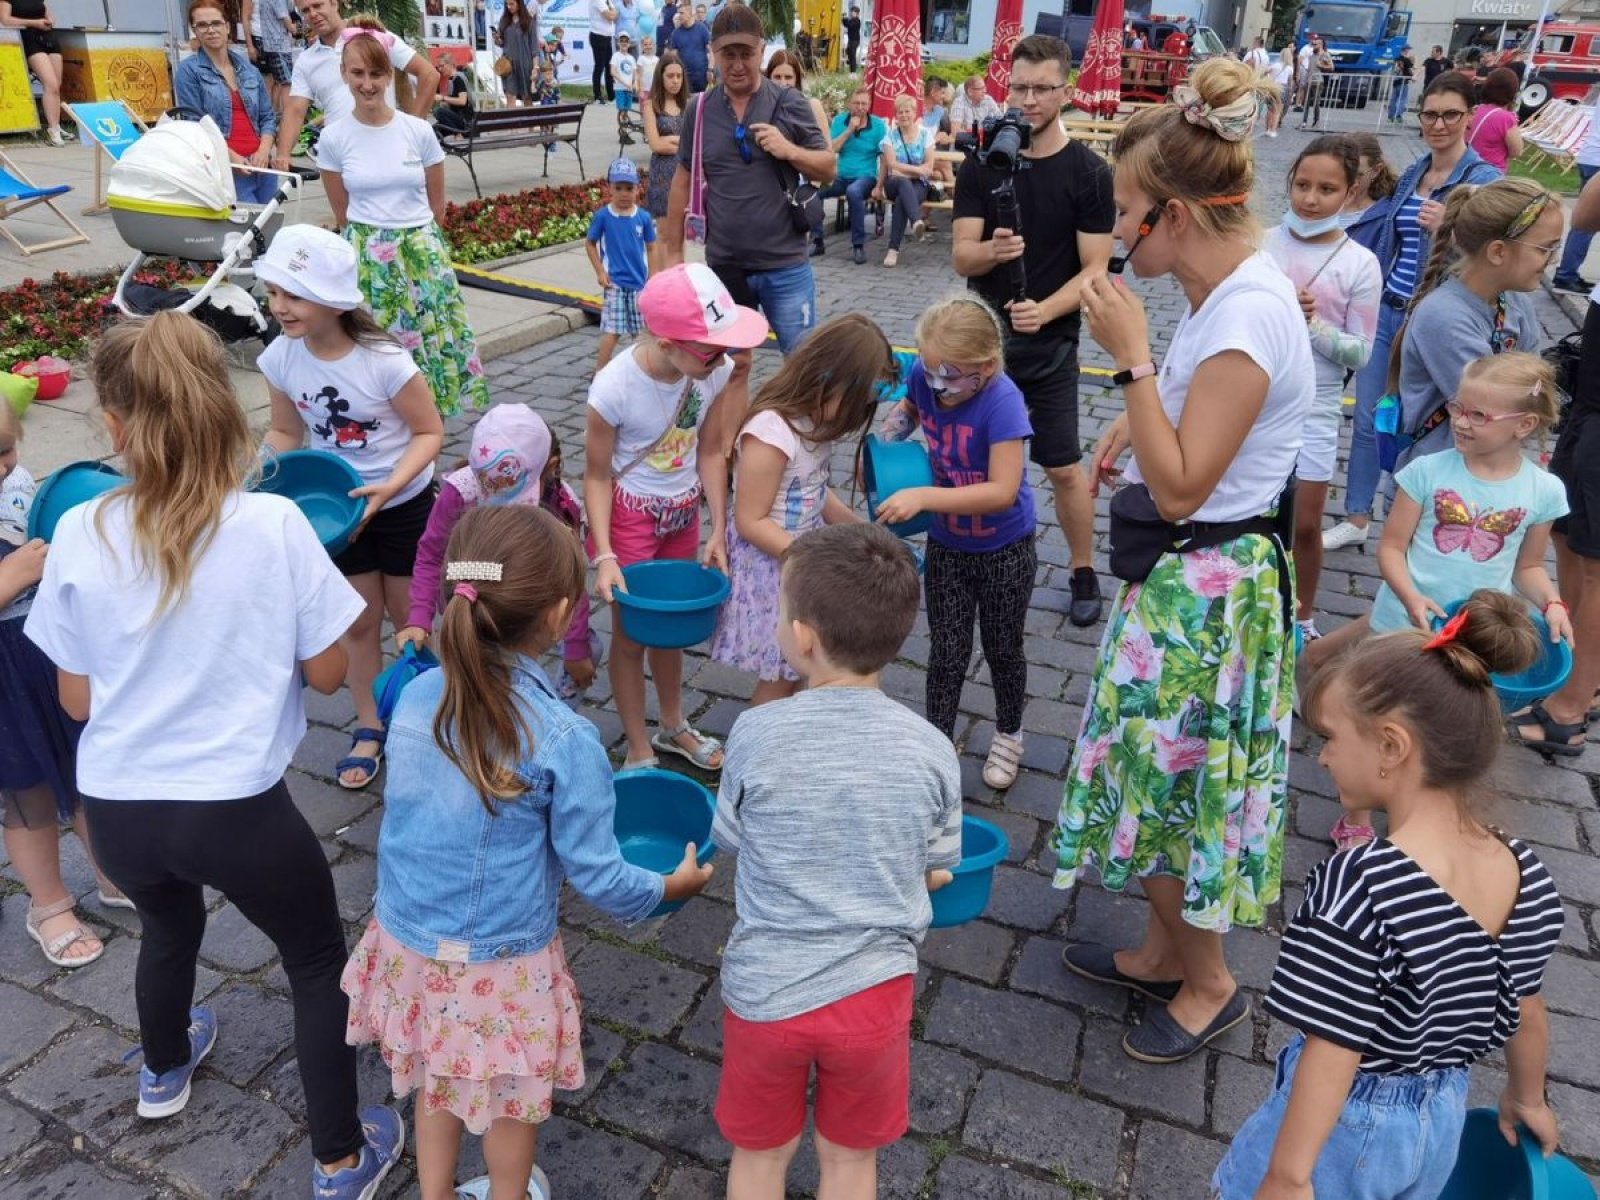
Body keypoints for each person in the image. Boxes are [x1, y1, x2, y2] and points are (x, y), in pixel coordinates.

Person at [24, 312, 403, 1197]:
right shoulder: (273, 524)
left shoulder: (80, 531)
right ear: (221, 409)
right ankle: (341, 1158)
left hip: (116, 809)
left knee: (167, 925)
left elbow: (75, 698)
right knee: (314, 963)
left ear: (112, 427)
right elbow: (321, 673)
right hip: (237, 810)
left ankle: (161, 1070)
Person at [1056, 59, 1312, 1063]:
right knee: (1154, 768)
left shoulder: (1246, 311)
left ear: (1172, 213)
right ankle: (1166, 947)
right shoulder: (1229, 294)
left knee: (1167, 779)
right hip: (1191, 580)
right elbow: (1199, 442)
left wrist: (1129, 362)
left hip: (1209, 586)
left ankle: (1210, 981)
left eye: (1124, 210)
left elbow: (1180, 489)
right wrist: (1147, 403)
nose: (1116, 231)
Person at [346, 504, 710, 1200]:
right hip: (499, 962)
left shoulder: (417, 694)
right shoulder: (564, 738)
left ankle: (437, 1194)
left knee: (438, 1077)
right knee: (510, 1097)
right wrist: (670, 888)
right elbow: (600, 873)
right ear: (559, 616)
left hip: (409, 941)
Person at [1213, 589, 1565, 1199]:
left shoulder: (1360, 887)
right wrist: (1524, 1097)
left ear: (1391, 746)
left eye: (1329, 738)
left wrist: (1288, 1176)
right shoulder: (1524, 870)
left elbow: (1334, 1049)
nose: (1321, 758)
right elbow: (1527, 1008)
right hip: (1440, 1121)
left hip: (1347, 1134)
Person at [711, 521, 962, 1200]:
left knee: (760, 1158)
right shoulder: (933, 748)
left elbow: (730, 839)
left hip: (766, 996)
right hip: (873, 996)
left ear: (803, 639)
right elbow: (939, 864)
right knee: (850, 1162)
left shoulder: (755, 732)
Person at [1304, 352, 1567, 851]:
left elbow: (1529, 567)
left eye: (1479, 415)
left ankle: (1420, 811)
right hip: (1403, 623)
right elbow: (1391, 548)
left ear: (1525, 424)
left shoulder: (1543, 490)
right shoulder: (1426, 472)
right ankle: (1356, 817)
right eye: (1458, 408)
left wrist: (1553, 603)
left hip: (1470, 635)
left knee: (1440, 721)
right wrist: (1411, 596)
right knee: (1372, 714)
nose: (1461, 423)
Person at [258, 224, 445, 789]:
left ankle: (430, 721)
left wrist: (390, 487)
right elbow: (286, 431)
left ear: (332, 300)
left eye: (293, 294)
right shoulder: (279, 359)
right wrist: (253, 475)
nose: (279, 307)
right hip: (338, 516)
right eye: (273, 293)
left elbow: (429, 432)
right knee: (357, 626)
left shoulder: (385, 361)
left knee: (411, 623)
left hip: (403, 505)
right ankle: (369, 726)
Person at [953, 33, 1115, 629]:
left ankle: (1081, 568)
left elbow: (1096, 269)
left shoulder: (1091, 173)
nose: (1027, 99)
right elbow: (962, 259)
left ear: (1065, 91)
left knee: (1063, 464)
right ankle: (966, 551)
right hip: (981, 344)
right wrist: (992, 252)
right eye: (1018, 86)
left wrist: (1043, 310)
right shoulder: (982, 160)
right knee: (972, 460)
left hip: (1050, 342)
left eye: (1041, 88)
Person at [586, 263, 768, 771]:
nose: (724, 357)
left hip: (682, 512)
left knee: (668, 627)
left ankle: (672, 725)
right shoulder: (613, 387)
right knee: (631, 635)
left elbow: (712, 450)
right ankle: (638, 745)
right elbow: (596, 476)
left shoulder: (714, 372)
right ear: (667, 344)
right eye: (712, 349)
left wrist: (717, 527)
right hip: (630, 518)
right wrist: (604, 554)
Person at [1326, 70, 1501, 553]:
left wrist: (1455, 226)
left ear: (1470, 117)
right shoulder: (1413, 171)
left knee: (1428, 425)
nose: (1439, 124)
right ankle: (1358, 516)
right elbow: (1388, 240)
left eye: (1450, 115)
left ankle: (1413, 522)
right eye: (1430, 114)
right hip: (1386, 312)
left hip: (1437, 321)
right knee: (1369, 418)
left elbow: (1495, 252)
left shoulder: (1486, 180)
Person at [875, 296, 1037, 788]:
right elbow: (908, 410)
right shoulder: (926, 380)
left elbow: (1002, 490)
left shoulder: (1002, 401)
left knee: (1003, 645)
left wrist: (924, 494)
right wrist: (888, 439)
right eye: (930, 370)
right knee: (946, 649)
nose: (939, 385)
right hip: (948, 545)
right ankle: (937, 744)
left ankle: (1009, 731)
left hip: (1005, 548)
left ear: (985, 368)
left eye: (952, 374)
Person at [0, 404, 127, 971]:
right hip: (5, 683)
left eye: (5, 450)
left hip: (54, 656)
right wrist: (12, 578)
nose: (2, 468)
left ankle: (110, 870)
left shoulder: (25, 489)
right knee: (26, 796)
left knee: (88, 769)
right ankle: (48, 904)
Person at [710, 315, 889, 705]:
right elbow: (750, 520)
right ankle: (756, 751)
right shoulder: (771, 432)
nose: (853, 419)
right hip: (772, 571)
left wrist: (864, 531)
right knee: (781, 677)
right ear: (824, 381)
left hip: (798, 563)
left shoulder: (813, 424)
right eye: (853, 406)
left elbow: (816, 494)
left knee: (796, 672)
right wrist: (808, 558)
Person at [316, 29, 490, 419]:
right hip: (370, 261)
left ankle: (428, 434)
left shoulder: (418, 131)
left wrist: (416, 241)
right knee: (379, 351)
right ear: (343, 73)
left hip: (421, 254)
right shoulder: (334, 139)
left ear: (389, 76)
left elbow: (437, 207)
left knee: (429, 347)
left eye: (376, 74)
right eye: (358, 73)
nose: (367, 84)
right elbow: (343, 214)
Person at [663, 4, 834, 366]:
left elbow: (828, 169)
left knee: (804, 367)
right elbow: (682, 179)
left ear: (761, 50)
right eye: (729, 54)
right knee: (730, 369)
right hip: (725, 267)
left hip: (785, 265)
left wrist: (788, 150)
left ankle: (798, 425)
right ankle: (732, 426)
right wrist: (674, 253)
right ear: (714, 53)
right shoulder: (700, 109)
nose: (738, 64)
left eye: (746, 53)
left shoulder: (790, 102)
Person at [1263, 136, 1381, 648]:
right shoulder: (1262, 244)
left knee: (1306, 523)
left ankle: (1303, 616)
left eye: (1327, 189)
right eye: (1302, 185)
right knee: (1251, 513)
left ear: (1352, 191)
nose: (1310, 199)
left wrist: (1310, 323)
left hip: (1316, 402)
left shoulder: (1359, 263)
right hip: (1257, 397)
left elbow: (1360, 351)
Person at [399, 403, 598, 697]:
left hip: (528, 610)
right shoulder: (459, 493)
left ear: (551, 467)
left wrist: (577, 645)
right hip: (475, 609)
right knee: (483, 682)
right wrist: (419, 616)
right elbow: (431, 554)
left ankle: (550, 711)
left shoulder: (560, 504)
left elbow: (572, 579)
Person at [1386, 178, 1556, 472]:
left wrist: (1532, 394)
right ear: (1498, 252)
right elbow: (1498, 407)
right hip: (1437, 488)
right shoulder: (1444, 315)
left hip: (1487, 474)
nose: (1552, 261)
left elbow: (1538, 393)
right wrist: (1529, 393)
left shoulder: (1515, 302)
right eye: (1544, 249)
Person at [271, 0, 438, 171]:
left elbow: (429, 75)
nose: (313, 14)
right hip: (342, 158)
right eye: (305, 10)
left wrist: (414, 132)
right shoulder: (306, 61)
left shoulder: (373, 37)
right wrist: (283, 154)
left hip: (387, 148)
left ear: (334, 4)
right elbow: (295, 111)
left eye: (318, 5)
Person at [176, 2, 280, 205]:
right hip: (226, 167)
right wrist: (231, 157)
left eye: (216, 23)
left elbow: (267, 117)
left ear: (227, 26)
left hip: (263, 164)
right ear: (195, 30)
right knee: (244, 231)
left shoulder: (249, 71)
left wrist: (263, 151)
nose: (211, 30)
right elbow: (196, 125)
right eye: (202, 25)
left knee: (270, 227)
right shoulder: (189, 71)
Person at [586, 157, 658, 372]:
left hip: (638, 283)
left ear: (637, 189)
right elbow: (590, 244)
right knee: (613, 331)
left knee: (640, 331)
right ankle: (599, 372)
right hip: (615, 283)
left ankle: (641, 370)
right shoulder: (603, 216)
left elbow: (652, 247)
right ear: (610, 188)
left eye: (629, 188)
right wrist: (600, 272)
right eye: (619, 188)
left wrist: (652, 276)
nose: (624, 194)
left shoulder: (643, 218)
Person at [813, 86, 884, 263]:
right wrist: (849, 131)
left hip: (866, 177)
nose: (860, 107)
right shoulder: (839, 121)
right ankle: (817, 241)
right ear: (849, 104)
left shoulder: (878, 125)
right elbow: (831, 149)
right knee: (814, 191)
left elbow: (885, 158)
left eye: (864, 104)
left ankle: (858, 245)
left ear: (869, 105)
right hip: (841, 175)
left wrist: (879, 185)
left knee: (853, 191)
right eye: (856, 103)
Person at [876, 94, 938, 269]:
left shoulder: (926, 135)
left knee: (903, 199)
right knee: (902, 184)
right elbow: (892, 164)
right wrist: (918, 171)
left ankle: (893, 250)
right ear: (896, 115)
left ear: (914, 113)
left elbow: (930, 166)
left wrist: (907, 172)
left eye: (907, 111)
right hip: (894, 183)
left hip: (918, 184)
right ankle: (915, 220)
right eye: (900, 112)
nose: (903, 115)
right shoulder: (890, 136)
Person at [0, 0, 67, 145]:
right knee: (51, 84)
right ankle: (52, 130)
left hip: (49, 37)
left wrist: (50, 20)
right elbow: (6, 20)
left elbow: (47, 13)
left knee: (57, 85)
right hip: (30, 39)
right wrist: (34, 23)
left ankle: (56, 124)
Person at [1552, 94, 1600, 293]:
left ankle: (1567, 273)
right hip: (1597, 160)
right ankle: (1566, 274)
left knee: (1586, 223)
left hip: (1590, 156)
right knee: (1586, 224)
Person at [643, 51, 687, 218]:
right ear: (660, 77)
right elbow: (655, 145)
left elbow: (697, 141)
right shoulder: (651, 106)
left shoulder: (688, 105)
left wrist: (671, 139)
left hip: (684, 173)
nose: (675, 80)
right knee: (663, 232)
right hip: (661, 175)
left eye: (679, 76)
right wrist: (683, 143)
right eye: (670, 76)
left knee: (681, 231)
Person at [1469, 67, 1526, 171]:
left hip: (1467, 168)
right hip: (1489, 174)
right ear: (1512, 91)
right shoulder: (1506, 118)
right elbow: (1517, 151)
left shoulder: (1475, 109)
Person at [1339, 132, 1398, 228]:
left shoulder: (1385, 218)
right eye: (1339, 171)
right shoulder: (1317, 204)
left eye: (1356, 174)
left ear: (1376, 170)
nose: (1346, 179)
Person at [252, 0, 294, 112]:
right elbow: (288, 23)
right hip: (278, 44)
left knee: (278, 81)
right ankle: (288, 114)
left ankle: (274, 112)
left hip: (270, 42)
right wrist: (300, 28)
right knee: (287, 83)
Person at [494, 0, 537, 105]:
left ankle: (528, 121)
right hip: (508, 65)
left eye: (512, 4)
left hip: (525, 65)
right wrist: (497, 40)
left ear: (519, 4)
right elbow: (502, 43)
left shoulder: (529, 21)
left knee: (526, 98)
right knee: (510, 95)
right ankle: (511, 121)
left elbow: (534, 48)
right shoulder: (504, 21)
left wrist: (536, 67)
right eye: (507, 4)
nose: (509, 6)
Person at [668, 0, 710, 91]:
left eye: (682, 13)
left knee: (701, 103)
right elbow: (673, 57)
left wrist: (710, 70)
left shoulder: (702, 28)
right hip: (685, 77)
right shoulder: (675, 33)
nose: (679, 16)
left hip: (702, 76)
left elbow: (711, 50)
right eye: (679, 13)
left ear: (690, 13)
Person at [432, 54, 474, 135]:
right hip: (458, 120)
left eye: (441, 66)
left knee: (437, 111)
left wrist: (443, 98)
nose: (440, 69)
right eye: (438, 67)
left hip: (464, 121)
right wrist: (445, 104)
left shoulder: (458, 78)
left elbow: (462, 101)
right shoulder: (452, 80)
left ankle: (458, 134)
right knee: (433, 131)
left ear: (450, 64)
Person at [1298, 37, 1334, 130]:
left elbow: (1331, 67)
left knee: (1316, 102)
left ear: (1321, 45)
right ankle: (1304, 121)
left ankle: (1316, 121)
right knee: (1306, 102)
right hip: (1309, 80)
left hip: (1318, 81)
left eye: (1315, 44)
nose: (1313, 46)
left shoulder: (1325, 55)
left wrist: (1321, 65)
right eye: (1313, 44)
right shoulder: (1312, 54)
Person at [589, 0, 618, 102]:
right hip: (598, 36)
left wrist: (613, 13)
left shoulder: (608, 1)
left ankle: (611, 95)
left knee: (609, 66)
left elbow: (615, 14)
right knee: (599, 66)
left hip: (607, 37)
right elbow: (610, 16)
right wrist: (613, 12)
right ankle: (597, 95)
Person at [1266, 47, 1293, 136]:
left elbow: (1265, 72)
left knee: (1270, 110)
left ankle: (1267, 129)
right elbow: (1290, 83)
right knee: (1277, 111)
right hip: (1282, 88)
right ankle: (1273, 130)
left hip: (1272, 86)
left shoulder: (1275, 65)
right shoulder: (1289, 68)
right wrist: (1290, 92)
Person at [1387, 43, 1415, 122]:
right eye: (1408, 50)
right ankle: (1398, 116)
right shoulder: (1406, 60)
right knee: (1402, 99)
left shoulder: (1396, 59)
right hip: (1403, 82)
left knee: (1393, 99)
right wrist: (1412, 77)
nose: (1409, 51)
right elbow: (1410, 69)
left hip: (1395, 82)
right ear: (1405, 50)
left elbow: (1395, 69)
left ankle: (1390, 117)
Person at [612, 31, 638, 115]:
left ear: (629, 44)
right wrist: (624, 83)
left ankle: (624, 126)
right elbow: (612, 72)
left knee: (627, 109)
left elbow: (635, 73)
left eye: (626, 41)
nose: (624, 43)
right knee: (621, 109)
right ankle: (622, 127)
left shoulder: (631, 58)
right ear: (618, 43)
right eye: (621, 41)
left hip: (629, 88)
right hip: (620, 88)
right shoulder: (616, 56)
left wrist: (634, 83)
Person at [844, 4, 861, 72]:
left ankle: (853, 72)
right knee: (849, 52)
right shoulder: (852, 19)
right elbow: (846, 24)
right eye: (851, 11)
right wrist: (844, 19)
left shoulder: (857, 20)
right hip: (851, 40)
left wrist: (845, 19)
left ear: (856, 13)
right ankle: (852, 69)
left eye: (853, 12)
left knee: (852, 56)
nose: (851, 13)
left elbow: (850, 25)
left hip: (855, 40)